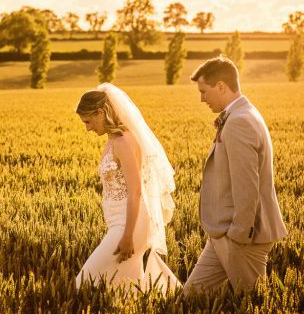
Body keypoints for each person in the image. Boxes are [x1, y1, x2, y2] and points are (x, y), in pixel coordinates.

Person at [184, 56, 287, 293]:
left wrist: (238, 235)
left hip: (242, 237)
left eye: (203, 91)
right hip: (222, 233)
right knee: (189, 299)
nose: (201, 99)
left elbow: (247, 185)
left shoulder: (239, 121)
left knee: (254, 305)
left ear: (221, 86)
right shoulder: (242, 114)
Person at [75, 83, 181, 292]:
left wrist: (127, 236)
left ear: (101, 112)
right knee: (125, 290)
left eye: (88, 121)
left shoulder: (123, 141)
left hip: (128, 226)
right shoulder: (114, 139)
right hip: (120, 223)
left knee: (83, 284)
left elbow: (136, 191)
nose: (87, 128)